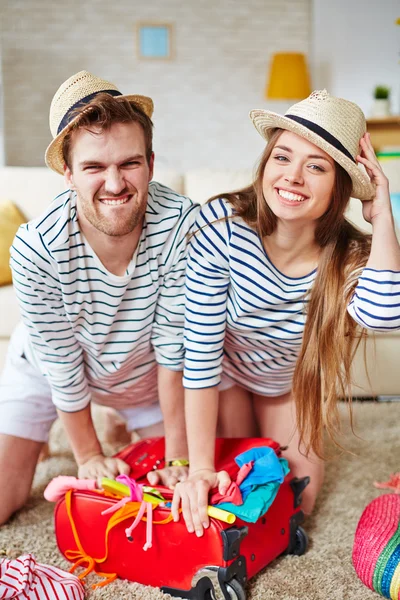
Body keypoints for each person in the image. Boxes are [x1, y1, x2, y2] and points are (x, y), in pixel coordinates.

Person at [171, 90, 400, 536]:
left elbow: (387, 315)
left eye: (316, 166)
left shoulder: (351, 255)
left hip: (292, 385)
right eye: (282, 157)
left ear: (341, 187)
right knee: (233, 497)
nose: (293, 177)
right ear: (265, 162)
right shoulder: (222, 226)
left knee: (295, 503)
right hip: (228, 381)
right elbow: (198, 353)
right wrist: (199, 468)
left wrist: (382, 212)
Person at [0, 70, 199, 525]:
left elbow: (175, 351)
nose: (114, 184)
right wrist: (87, 455)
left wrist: (180, 457)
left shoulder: (182, 223)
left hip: (143, 376)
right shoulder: (36, 248)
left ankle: (120, 420)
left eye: (129, 163)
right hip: (48, 372)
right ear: (67, 172)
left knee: (171, 500)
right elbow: (61, 362)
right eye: (94, 167)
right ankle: (100, 429)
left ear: (150, 162)